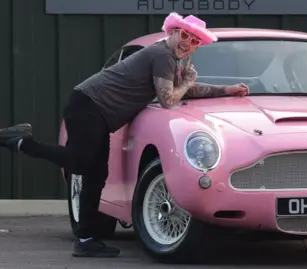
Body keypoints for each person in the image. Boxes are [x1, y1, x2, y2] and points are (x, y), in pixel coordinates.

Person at [0, 12, 249, 258]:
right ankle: (23, 142)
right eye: (185, 35)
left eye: (195, 41)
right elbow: (169, 98)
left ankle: (86, 240)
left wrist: (226, 89)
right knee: (81, 163)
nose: (188, 43)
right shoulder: (162, 54)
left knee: (95, 173)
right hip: (89, 106)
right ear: (173, 32)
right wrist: (187, 81)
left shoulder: (169, 58)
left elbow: (184, 90)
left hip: (97, 111)